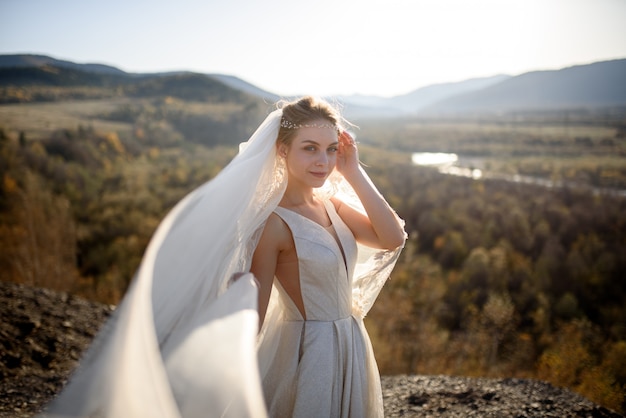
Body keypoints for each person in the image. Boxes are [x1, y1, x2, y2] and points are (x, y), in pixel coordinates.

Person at [41, 96, 405, 418]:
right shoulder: (274, 225)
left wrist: (353, 169)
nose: (323, 161)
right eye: (309, 148)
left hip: (352, 342)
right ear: (282, 150)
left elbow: (392, 238)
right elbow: (256, 314)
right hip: (310, 357)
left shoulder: (333, 205)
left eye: (330, 149)